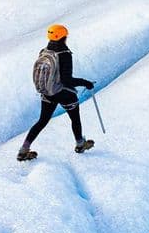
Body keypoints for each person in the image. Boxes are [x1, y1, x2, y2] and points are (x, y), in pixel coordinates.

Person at [17, 24, 95, 161]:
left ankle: (24, 150)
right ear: (63, 37)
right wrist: (86, 83)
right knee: (75, 118)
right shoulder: (64, 55)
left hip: (47, 92)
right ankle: (80, 144)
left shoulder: (44, 52)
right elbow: (66, 80)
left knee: (42, 121)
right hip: (63, 93)